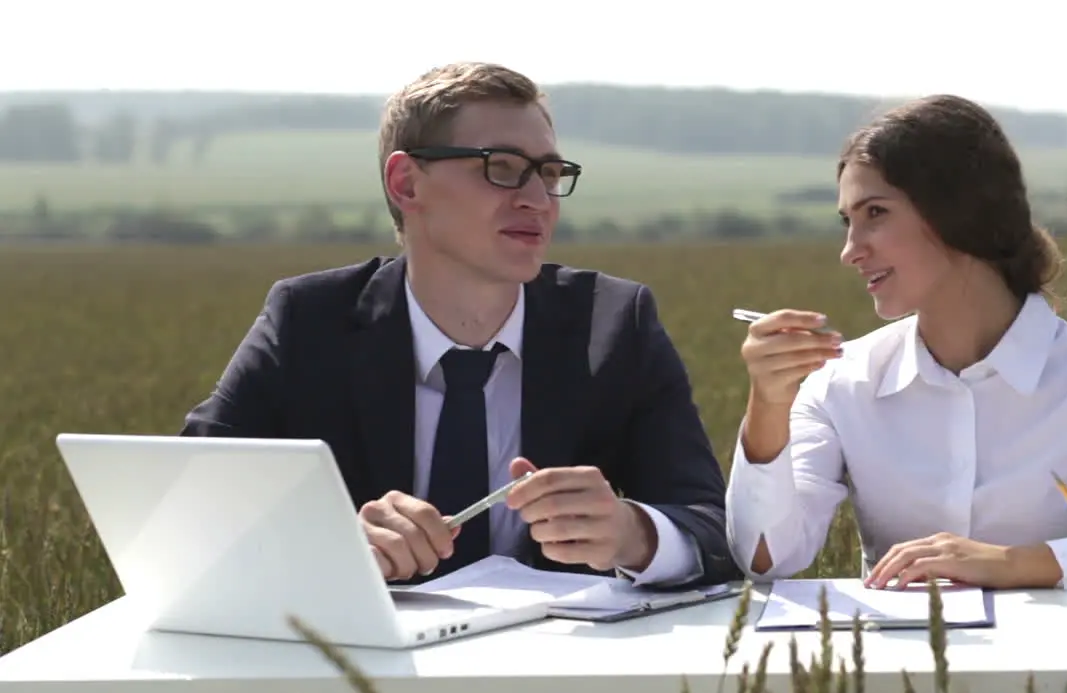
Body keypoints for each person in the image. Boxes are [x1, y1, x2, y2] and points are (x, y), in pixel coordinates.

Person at [181, 61, 739, 601]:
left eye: (549, 173)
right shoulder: (308, 322)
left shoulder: (613, 323)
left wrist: (633, 534)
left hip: (558, 682)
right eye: (501, 167)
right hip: (363, 681)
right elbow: (185, 507)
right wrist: (330, 546)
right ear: (406, 183)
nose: (538, 200)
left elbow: (713, 527)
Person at [725, 94, 1067, 594]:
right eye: (848, 221)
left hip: (1058, 691)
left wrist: (1017, 563)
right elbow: (768, 557)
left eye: (875, 214)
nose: (850, 250)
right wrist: (769, 407)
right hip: (892, 690)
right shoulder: (842, 384)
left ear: (958, 211)